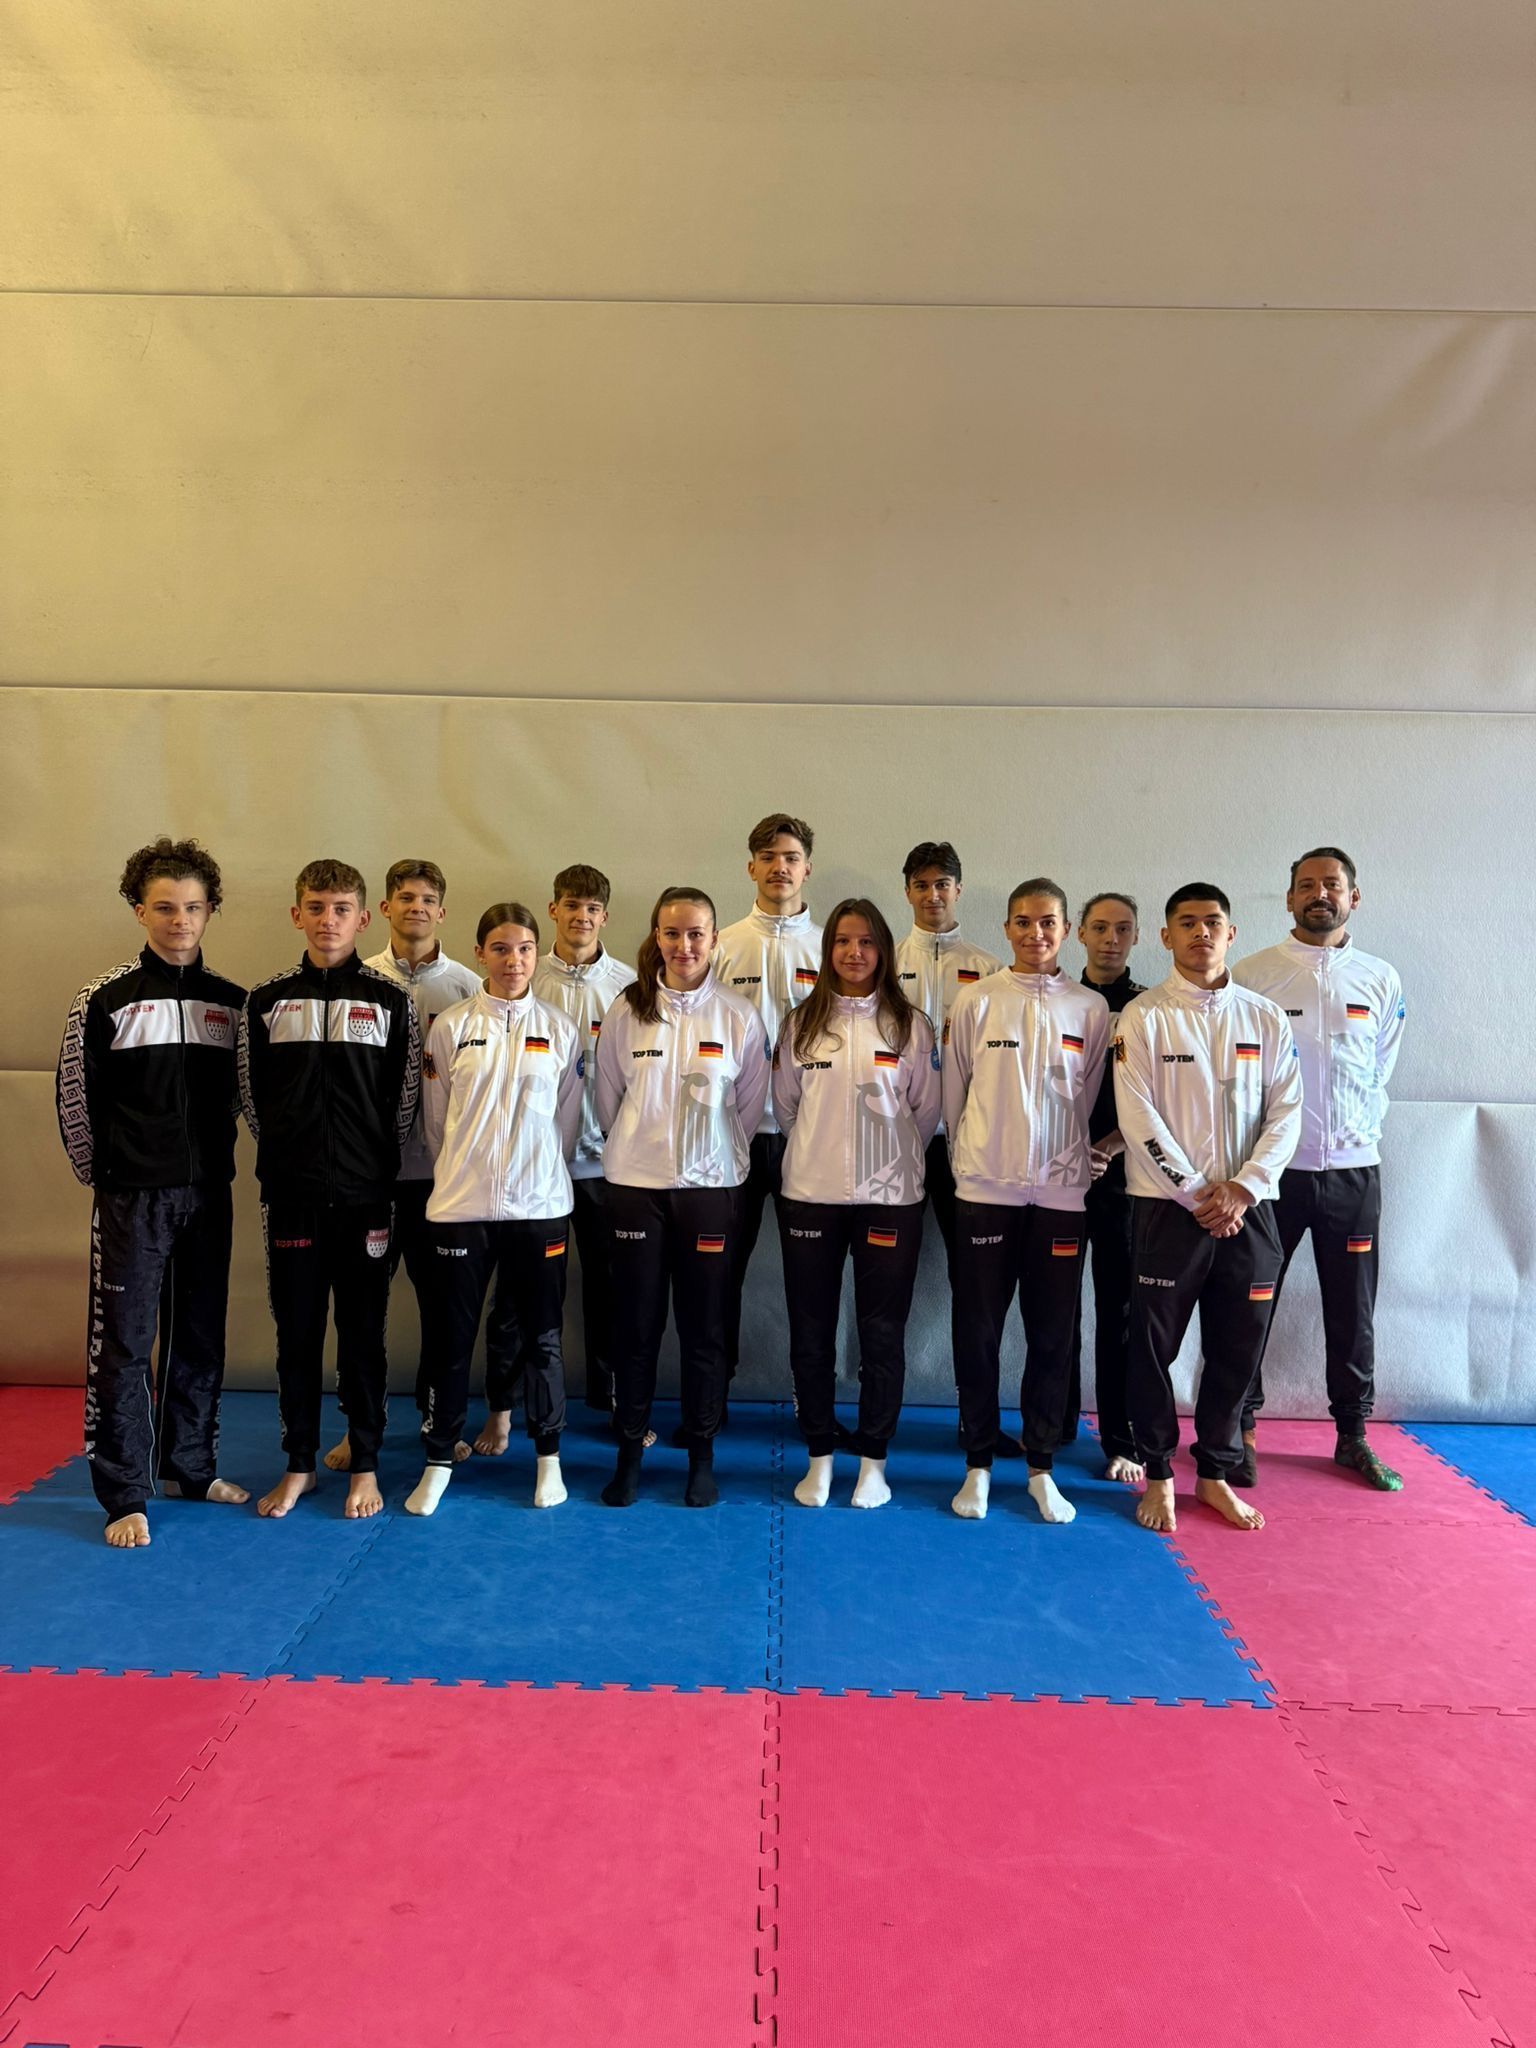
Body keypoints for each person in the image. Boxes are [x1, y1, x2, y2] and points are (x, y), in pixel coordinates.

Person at [56, 837, 250, 1549]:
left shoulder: (232, 1004)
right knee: (125, 1346)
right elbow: (74, 1101)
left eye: (193, 908)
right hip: (132, 1199)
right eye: (165, 908)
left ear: (210, 911)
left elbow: (246, 1098)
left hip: (208, 1195)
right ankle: (124, 1494)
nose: (180, 921)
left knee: (199, 1336)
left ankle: (189, 1468)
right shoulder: (104, 1000)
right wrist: (109, 1180)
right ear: (140, 911)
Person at [1114, 884, 1303, 1535]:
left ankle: (1216, 1472)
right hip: (1168, 1211)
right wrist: (1199, 1193)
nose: (1201, 933)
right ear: (1166, 937)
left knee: (1238, 1348)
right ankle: (1159, 1474)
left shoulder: (1265, 1017)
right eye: (1187, 923)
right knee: (1152, 1350)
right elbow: (1137, 1118)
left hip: (1250, 1212)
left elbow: (1287, 1111)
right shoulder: (1143, 1017)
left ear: (1231, 934)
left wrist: (1244, 1188)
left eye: (1213, 923)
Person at [238, 859, 420, 1520]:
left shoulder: (391, 1001)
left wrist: (370, 1164)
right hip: (292, 1196)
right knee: (297, 1335)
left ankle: (364, 1464)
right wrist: (293, 1157)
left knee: (364, 1335)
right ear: (297, 915)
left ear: (363, 918)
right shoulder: (265, 1001)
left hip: (368, 1195)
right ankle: (299, 1465)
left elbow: (404, 1101)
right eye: (316, 907)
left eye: (342, 909)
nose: (328, 920)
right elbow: (252, 1099)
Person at [1231, 848, 1407, 1490]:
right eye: (1306, 885)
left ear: (1353, 897)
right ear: (1289, 899)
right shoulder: (1253, 975)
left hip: (1354, 1174)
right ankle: (1239, 1429)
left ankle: (1352, 1435)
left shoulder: (1381, 979)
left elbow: (1380, 1068)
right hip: (1273, 1174)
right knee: (1249, 1305)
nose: (1319, 894)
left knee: (1352, 1310)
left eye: (1332, 884)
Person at [403, 904, 585, 1516]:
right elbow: (437, 1124)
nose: (514, 960)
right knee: (451, 1338)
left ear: (537, 954)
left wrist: (535, 1174)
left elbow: (565, 1122)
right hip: (462, 1207)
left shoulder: (560, 1028)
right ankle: (437, 1459)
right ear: (480, 953)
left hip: (540, 1206)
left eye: (526, 948)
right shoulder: (452, 1027)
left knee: (542, 1338)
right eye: (501, 949)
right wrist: (469, 1173)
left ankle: (548, 1457)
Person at [594, 888, 771, 1507]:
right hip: (635, 1191)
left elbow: (747, 1109)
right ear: (656, 937)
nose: (684, 945)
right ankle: (629, 1456)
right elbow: (608, 1102)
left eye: (696, 933)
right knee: (635, 1329)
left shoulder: (739, 1016)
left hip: (710, 1192)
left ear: (715, 940)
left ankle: (701, 1454)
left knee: (705, 1330)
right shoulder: (627, 1010)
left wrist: (710, 1156)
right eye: (672, 933)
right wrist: (641, 1148)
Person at [943, 879, 1110, 1523]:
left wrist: (1068, 1164)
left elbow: (1087, 1095)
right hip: (985, 1191)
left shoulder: (1091, 1008)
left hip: (1062, 1197)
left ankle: (1041, 1466)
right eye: (1022, 922)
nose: (1035, 934)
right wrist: (972, 1163)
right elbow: (954, 1095)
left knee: (1052, 1335)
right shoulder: (977, 1000)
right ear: (1007, 928)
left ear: (1065, 930)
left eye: (1047, 923)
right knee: (977, 1331)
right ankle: (978, 1464)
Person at [773, 899, 940, 1509]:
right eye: (843, 941)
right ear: (828, 951)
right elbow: (786, 1109)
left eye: (866, 941)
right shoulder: (800, 1024)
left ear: (883, 951)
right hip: (810, 1198)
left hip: (890, 1202)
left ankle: (874, 1461)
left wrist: (887, 1165)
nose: (854, 952)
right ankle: (819, 1455)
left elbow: (925, 1113)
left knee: (882, 1335)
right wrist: (821, 1156)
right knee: (811, 1333)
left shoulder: (910, 1026)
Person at [321, 858, 480, 1472]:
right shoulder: (356, 980)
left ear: (442, 911)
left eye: (428, 899)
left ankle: (440, 1421)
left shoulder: (469, 987)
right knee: (360, 1311)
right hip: (368, 1178)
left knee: (443, 1310)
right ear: (384, 909)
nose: (417, 908)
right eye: (406, 898)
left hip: (440, 1179)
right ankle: (359, 1426)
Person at [894, 839, 1016, 1456]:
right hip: (895, 1145)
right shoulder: (885, 963)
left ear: (958, 890)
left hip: (965, 1148)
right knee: (885, 1282)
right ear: (907, 892)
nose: (932, 894)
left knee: (975, 1287)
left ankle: (978, 1421)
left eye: (942, 884)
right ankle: (877, 1415)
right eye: (921, 884)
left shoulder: (991, 969)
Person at [711, 815, 822, 1411]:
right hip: (734, 1135)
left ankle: (812, 1400)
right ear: (750, 866)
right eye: (769, 856)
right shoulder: (721, 945)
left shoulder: (834, 947)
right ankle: (712, 1397)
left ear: (808, 869)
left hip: (812, 1137)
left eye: (791, 857)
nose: (780, 867)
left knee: (812, 1276)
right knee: (721, 1273)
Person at [530, 863, 639, 1427]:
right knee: (533, 1290)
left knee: (611, 1286)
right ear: (554, 909)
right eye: (571, 905)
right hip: (538, 1165)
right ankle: (531, 1408)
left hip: (604, 1165)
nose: (581, 916)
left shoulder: (629, 985)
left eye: (592, 908)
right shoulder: (525, 975)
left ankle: (613, 1398)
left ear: (605, 916)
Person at [1060, 892, 1146, 1483]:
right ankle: (1055, 1422)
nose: (1110, 939)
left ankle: (1120, 1435)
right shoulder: (1061, 1001)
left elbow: (1160, 1096)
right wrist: (1068, 1151)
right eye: (1100, 928)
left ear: (1136, 937)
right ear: (1080, 935)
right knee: (1056, 1308)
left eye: (1122, 929)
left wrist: (1110, 1147)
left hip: (1125, 1178)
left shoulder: (1151, 1007)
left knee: (1119, 1311)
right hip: (1058, 1176)